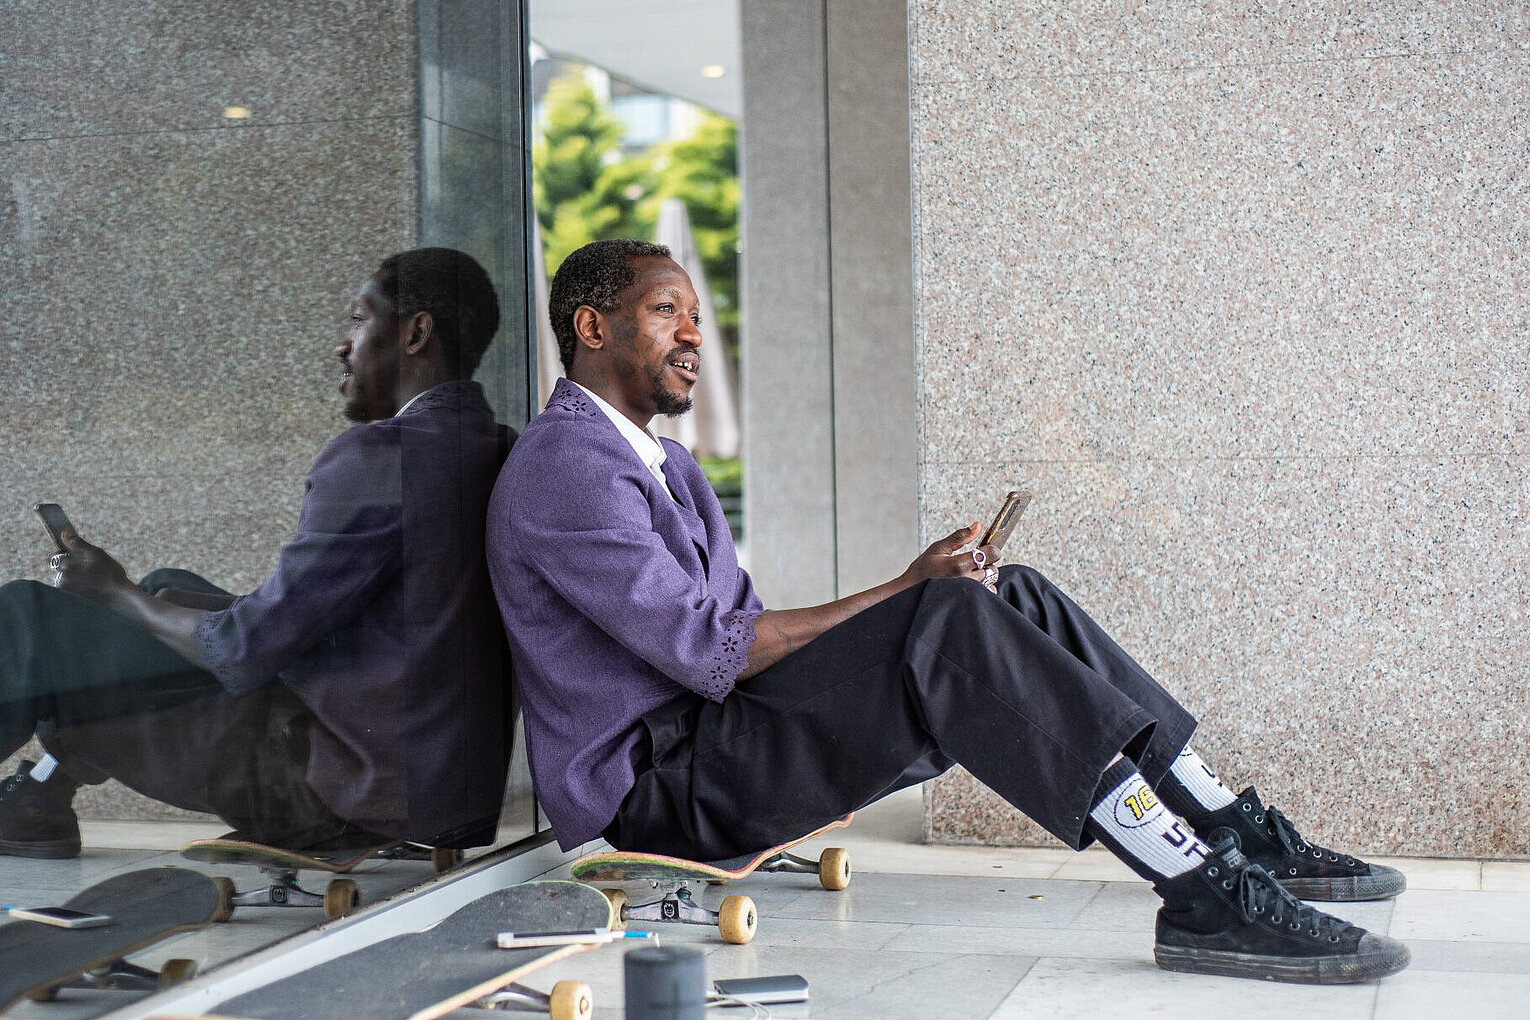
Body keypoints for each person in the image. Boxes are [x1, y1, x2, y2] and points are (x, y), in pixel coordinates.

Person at [488, 238, 1412, 986]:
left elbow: (736, 638)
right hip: (662, 791)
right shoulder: (569, 464)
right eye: (666, 311)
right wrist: (909, 590)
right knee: (949, 617)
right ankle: (1199, 886)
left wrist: (923, 587)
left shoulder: (668, 466)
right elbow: (714, 650)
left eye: (696, 311)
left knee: (1010, 596)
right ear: (592, 326)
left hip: (720, 742)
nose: (694, 331)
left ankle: (1225, 826)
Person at [0, 247, 512, 858]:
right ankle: (40, 795)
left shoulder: (379, 458)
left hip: (336, 791)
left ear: (415, 333)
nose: (343, 346)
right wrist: (141, 602)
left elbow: (246, 646)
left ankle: (40, 795)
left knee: (30, 620)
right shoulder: (495, 444)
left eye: (358, 319)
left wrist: (112, 591)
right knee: (169, 588)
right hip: (443, 791)